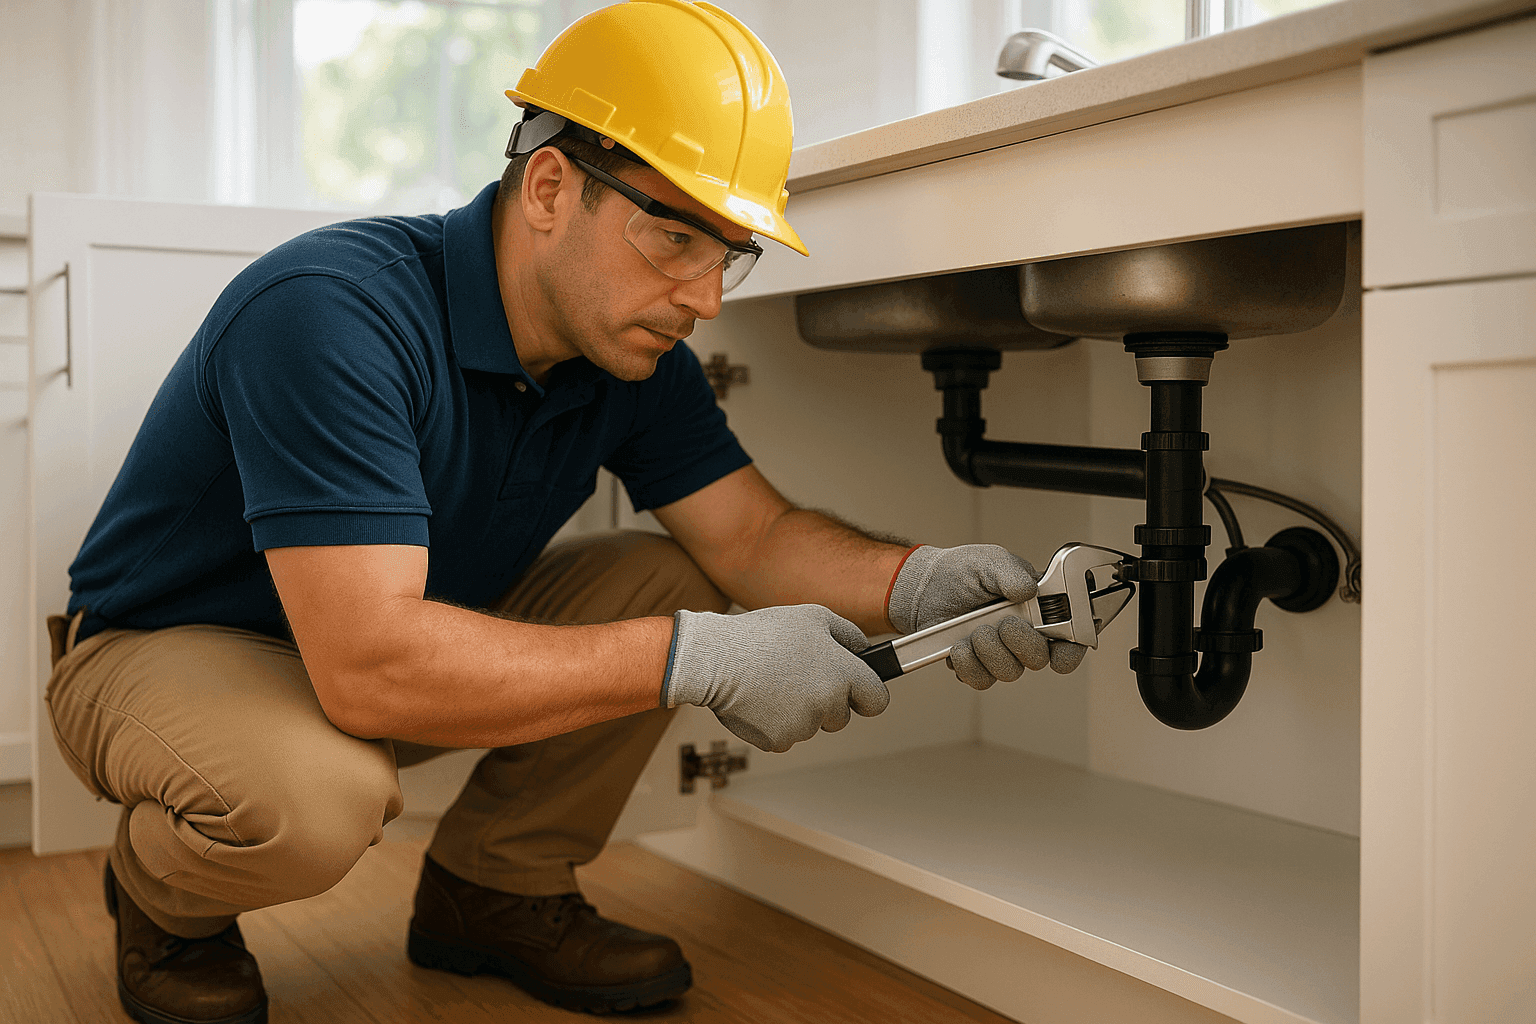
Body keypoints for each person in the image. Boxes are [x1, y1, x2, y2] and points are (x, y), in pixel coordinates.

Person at [43, 2, 1085, 1021]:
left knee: (677, 574)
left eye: (729, 253)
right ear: (550, 185)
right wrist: (706, 658)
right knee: (316, 798)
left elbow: (753, 538)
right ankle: (161, 896)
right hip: (166, 650)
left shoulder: (628, 349)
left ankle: (493, 886)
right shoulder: (331, 312)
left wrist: (921, 588)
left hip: (376, 652)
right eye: (677, 237)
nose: (707, 297)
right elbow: (369, 663)